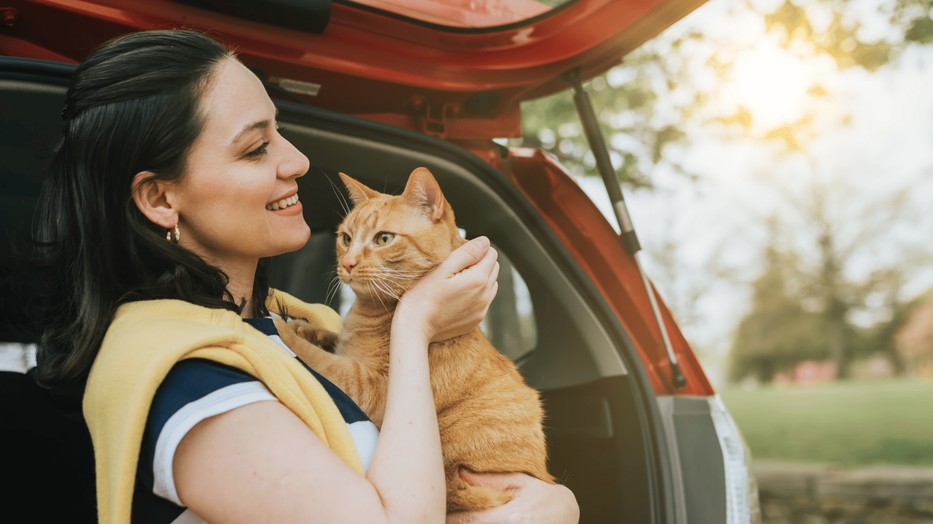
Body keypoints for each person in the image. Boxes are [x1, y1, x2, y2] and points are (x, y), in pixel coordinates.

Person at [31, 29, 579, 523]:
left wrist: (556, 499)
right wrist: (415, 324)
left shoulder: (290, 324)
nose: (296, 161)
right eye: (255, 147)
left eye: (281, 131)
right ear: (160, 199)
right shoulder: (180, 369)